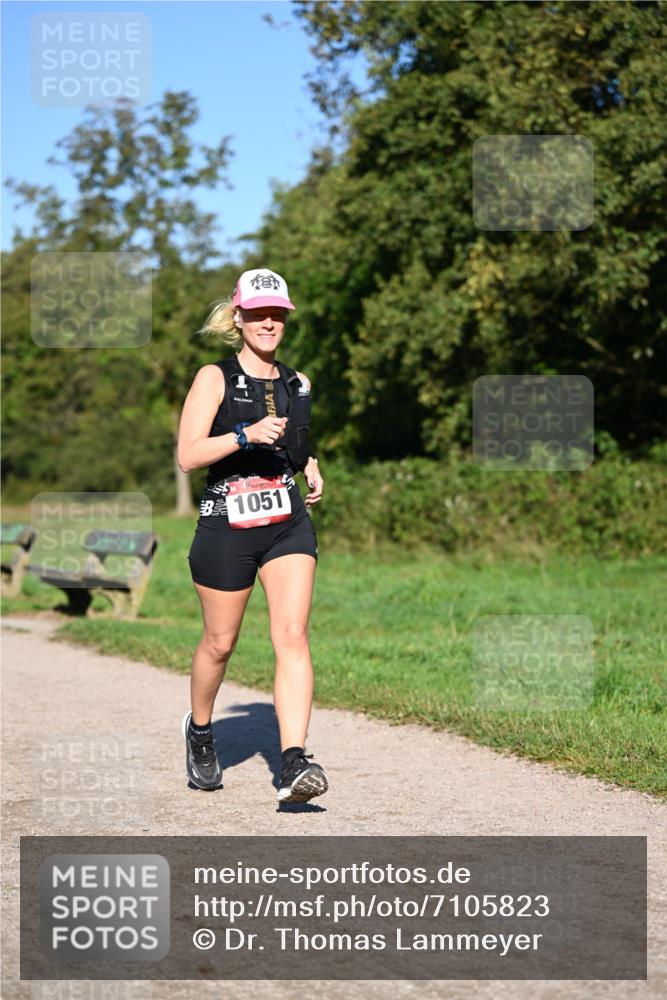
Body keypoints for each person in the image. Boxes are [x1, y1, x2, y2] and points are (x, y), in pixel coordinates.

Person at [177, 267, 328, 805]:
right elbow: (188, 454)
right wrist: (243, 435)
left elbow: (292, 443)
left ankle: (293, 761)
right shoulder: (213, 378)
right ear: (238, 317)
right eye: (258, 313)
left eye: (277, 314)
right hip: (227, 523)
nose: (268, 322)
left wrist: (308, 463)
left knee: (293, 634)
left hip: (286, 522)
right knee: (220, 644)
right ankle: (200, 730)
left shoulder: (297, 382)